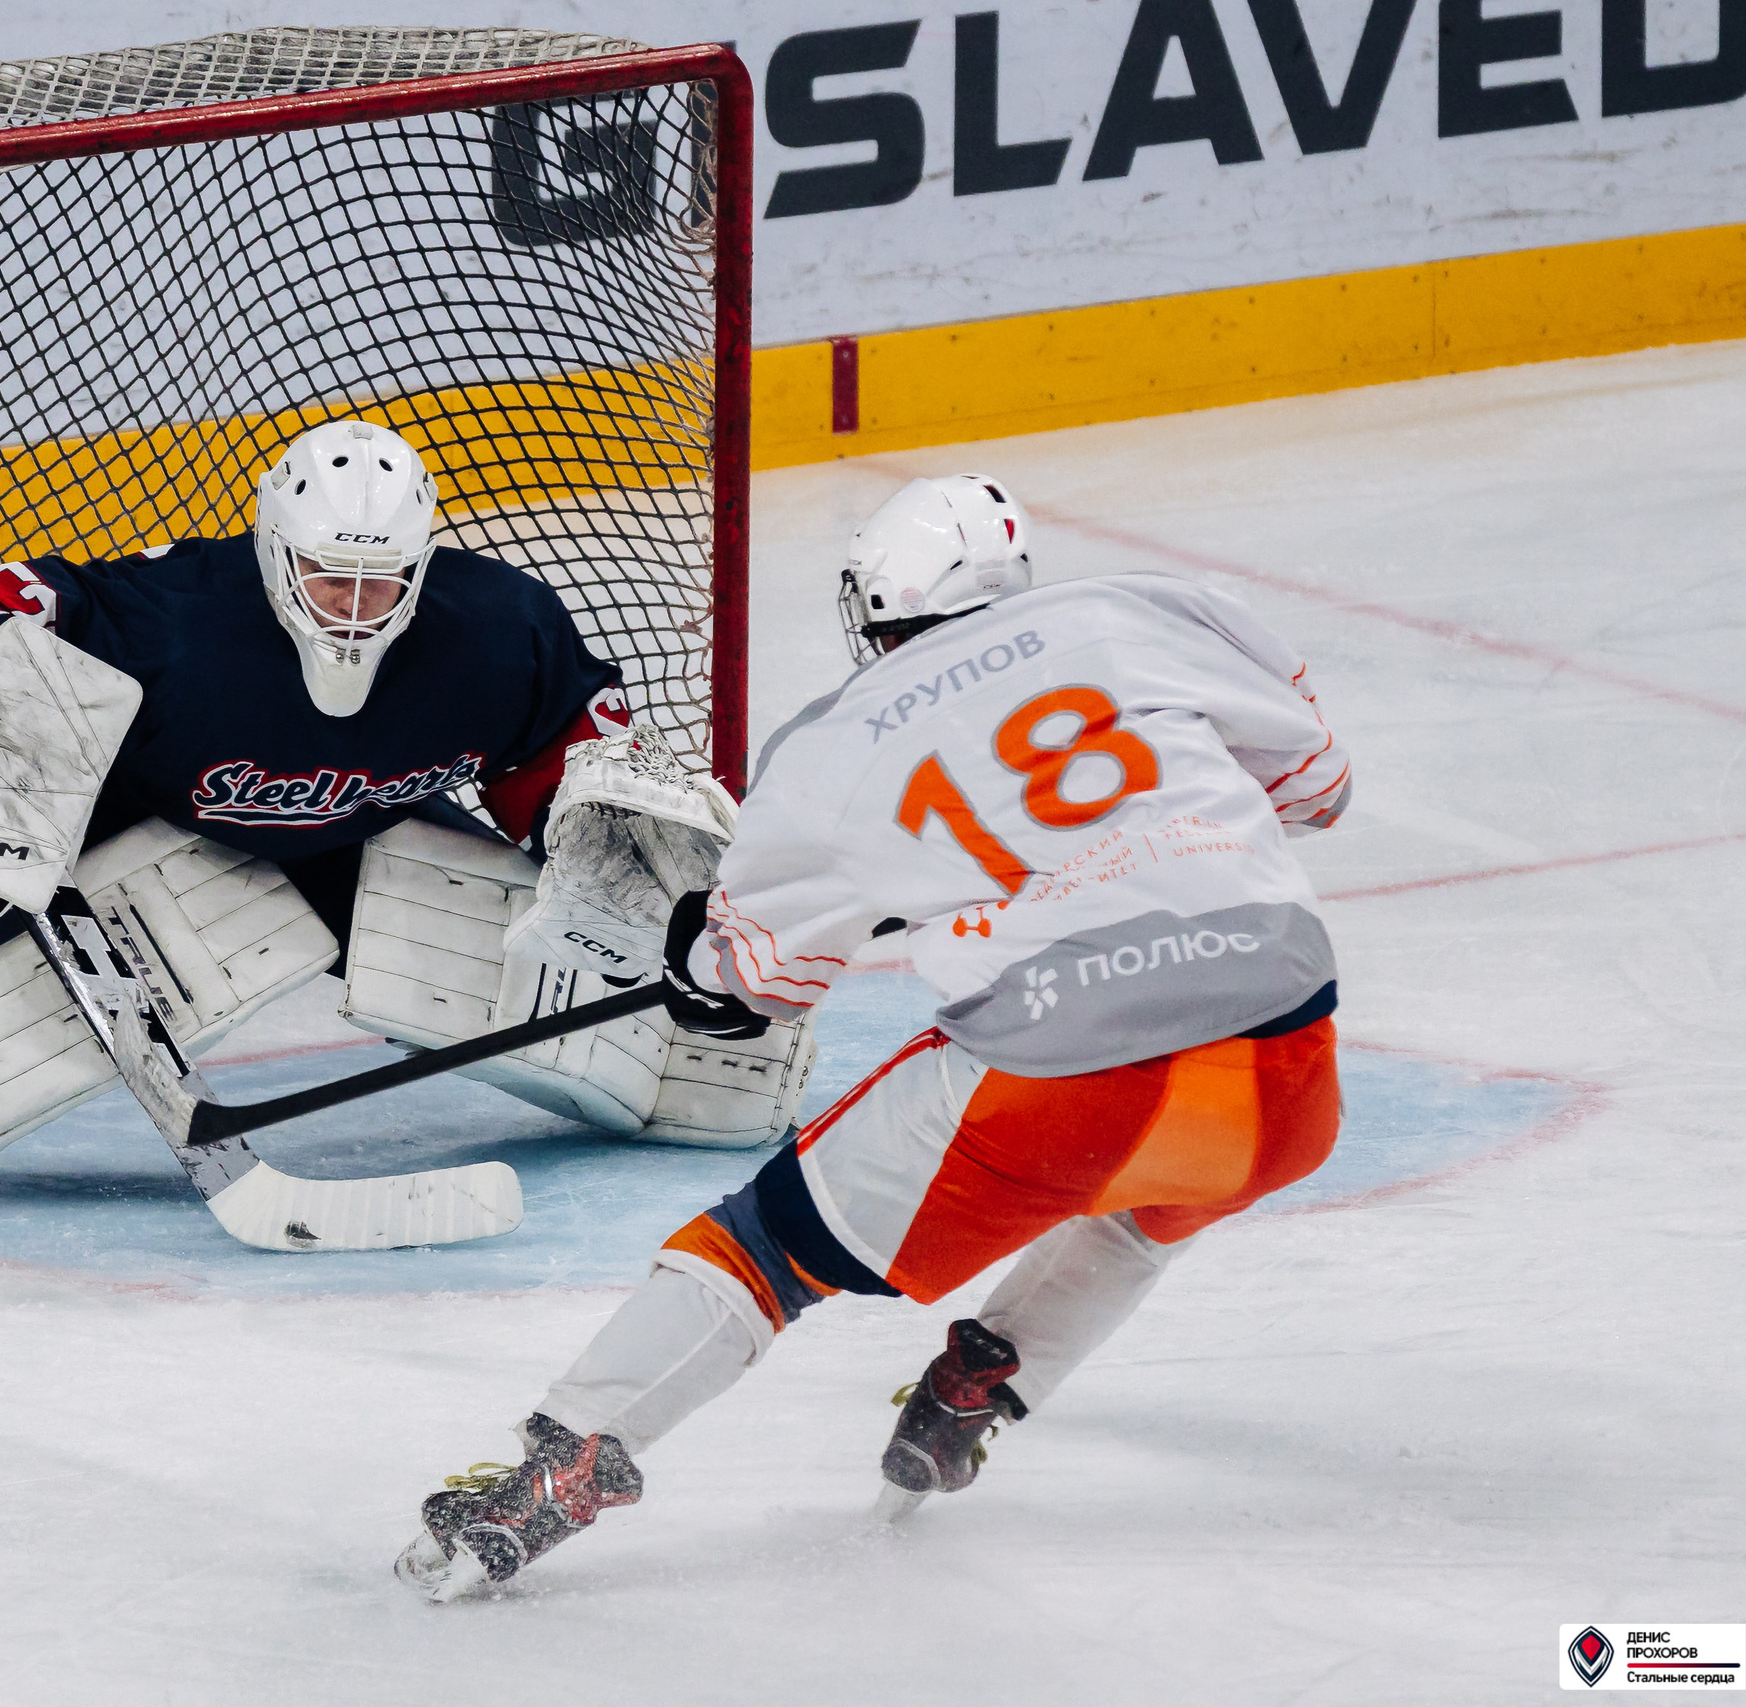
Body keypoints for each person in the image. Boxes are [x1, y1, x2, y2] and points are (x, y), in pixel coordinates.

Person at [395, 473, 1354, 1599]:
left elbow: (759, 983)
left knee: (760, 1249)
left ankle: (559, 1471)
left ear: (872, 609)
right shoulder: (1149, 611)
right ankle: (978, 1391)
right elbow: (1315, 788)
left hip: (1054, 1081)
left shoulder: (833, 743)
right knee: (1153, 1200)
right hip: (1289, 1073)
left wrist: (693, 954)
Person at [0, 420, 817, 1220]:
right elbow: (4, 609)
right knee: (180, 923)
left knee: (528, 964)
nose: (351, 608)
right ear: (271, 552)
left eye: (378, 584)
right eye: (325, 580)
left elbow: (566, 755)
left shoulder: (497, 630)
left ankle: (712, 1085)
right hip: (165, 831)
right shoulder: (179, 623)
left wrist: (610, 856)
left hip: (365, 836)